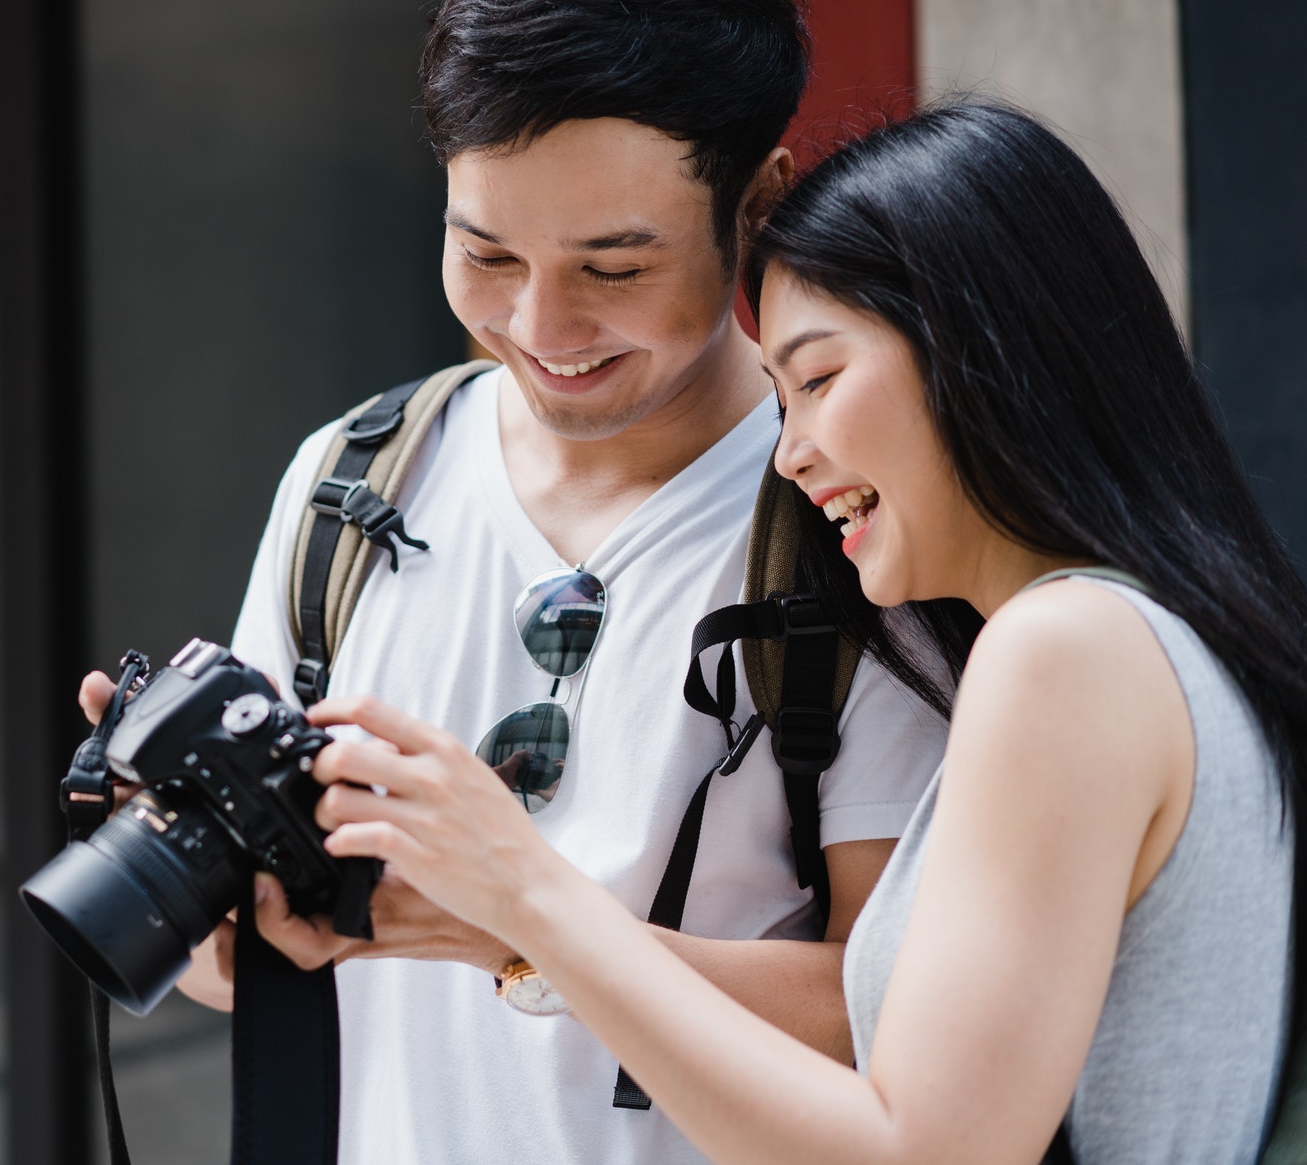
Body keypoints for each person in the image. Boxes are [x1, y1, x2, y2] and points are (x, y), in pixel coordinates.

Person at [81, 0, 955, 1164]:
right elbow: (277, 962)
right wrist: (186, 879)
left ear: (757, 204)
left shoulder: (847, 510)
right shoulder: (351, 480)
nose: (542, 325)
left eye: (612, 268)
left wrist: (510, 924)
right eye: (483, 252)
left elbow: (901, 1017)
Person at [303, 101, 1302, 1163]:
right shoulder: (1148, 642)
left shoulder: (1064, 651)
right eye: (779, 398)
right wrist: (509, 925)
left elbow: (913, 1149)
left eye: (819, 380)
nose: (791, 454)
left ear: (981, 347)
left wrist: (531, 887)